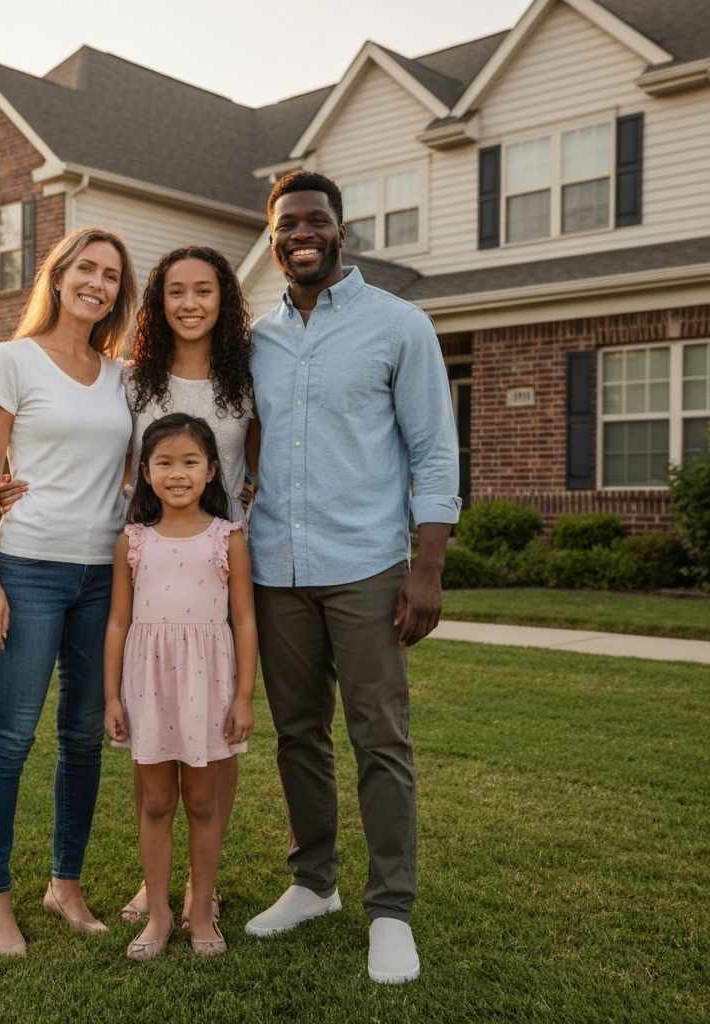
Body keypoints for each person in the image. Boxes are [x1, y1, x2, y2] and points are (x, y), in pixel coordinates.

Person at [242, 170, 461, 985]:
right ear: (273, 237)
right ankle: (313, 882)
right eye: (287, 223)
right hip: (276, 568)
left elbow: (435, 451)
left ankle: (391, 909)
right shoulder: (256, 339)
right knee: (298, 734)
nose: (302, 233)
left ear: (341, 231)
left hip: (368, 565)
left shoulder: (398, 326)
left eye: (316, 220)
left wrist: (426, 568)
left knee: (380, 739)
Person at [1, 245, 258, 929]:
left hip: (218, 561)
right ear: (156, 303)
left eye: (205, 291)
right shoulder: (132, 382)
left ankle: (205, 886)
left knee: (212, 731)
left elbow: (256, 462)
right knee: (155, 719)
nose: (190, 304)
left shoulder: (245, 378)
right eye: (175, 291)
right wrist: (10, 484)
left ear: (224, 299)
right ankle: (157, 886)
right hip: (144, 562)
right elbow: (83, 441)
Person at [0, 226, 138, 956]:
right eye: (87, 269)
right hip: (29, 567)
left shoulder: (122, 376)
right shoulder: (11, 359)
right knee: (11, 737)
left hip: (102, 576)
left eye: (111, 275)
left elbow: (134, 470)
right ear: (60, 276)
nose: (98, 283)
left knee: (82, 738)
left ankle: (65, 884)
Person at [103, 413, 257, 960]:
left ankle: (200, 910)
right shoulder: (134, 541)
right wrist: (111, 696)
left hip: (209, 690)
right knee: (156, 801)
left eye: (190, 462)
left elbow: (244, 621)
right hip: (149, 688)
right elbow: (118, 622)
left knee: (203, 800)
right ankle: (160, 915)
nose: (177, 473)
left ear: (212, 470)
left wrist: (243, 697)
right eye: (164, 462)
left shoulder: (228, 538)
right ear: (144, 472)